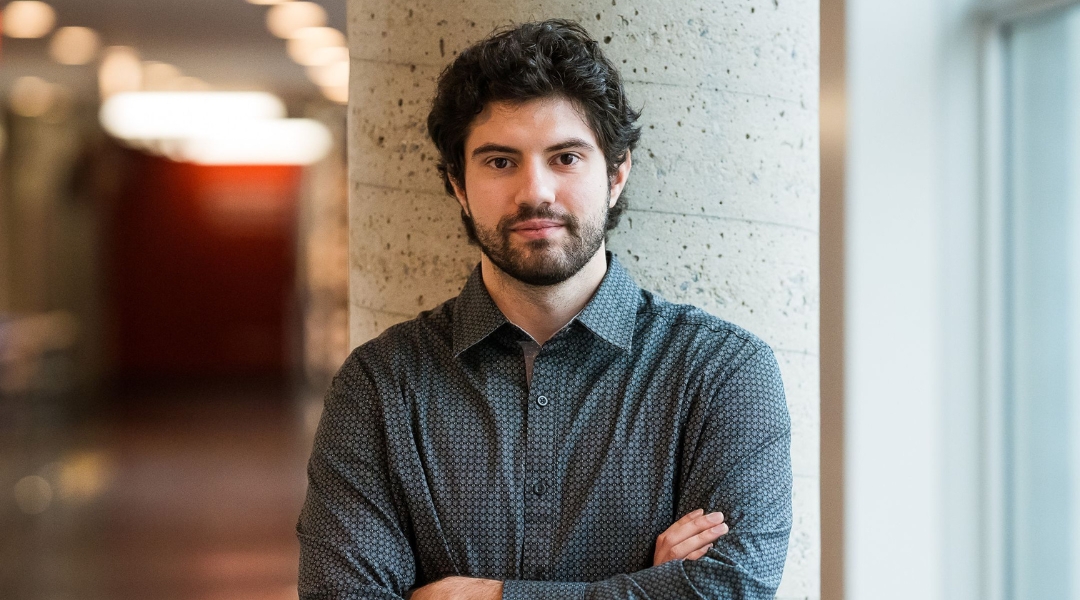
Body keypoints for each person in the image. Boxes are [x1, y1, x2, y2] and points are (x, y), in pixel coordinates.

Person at [297, 19, 792, 600]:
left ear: (616, 173)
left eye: (565, 158)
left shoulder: (722, 374)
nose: (535, 192)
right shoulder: (379, 385)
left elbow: (736, 589)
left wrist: (482, 596)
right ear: (458, 183)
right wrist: (645, 589)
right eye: (500, 161)